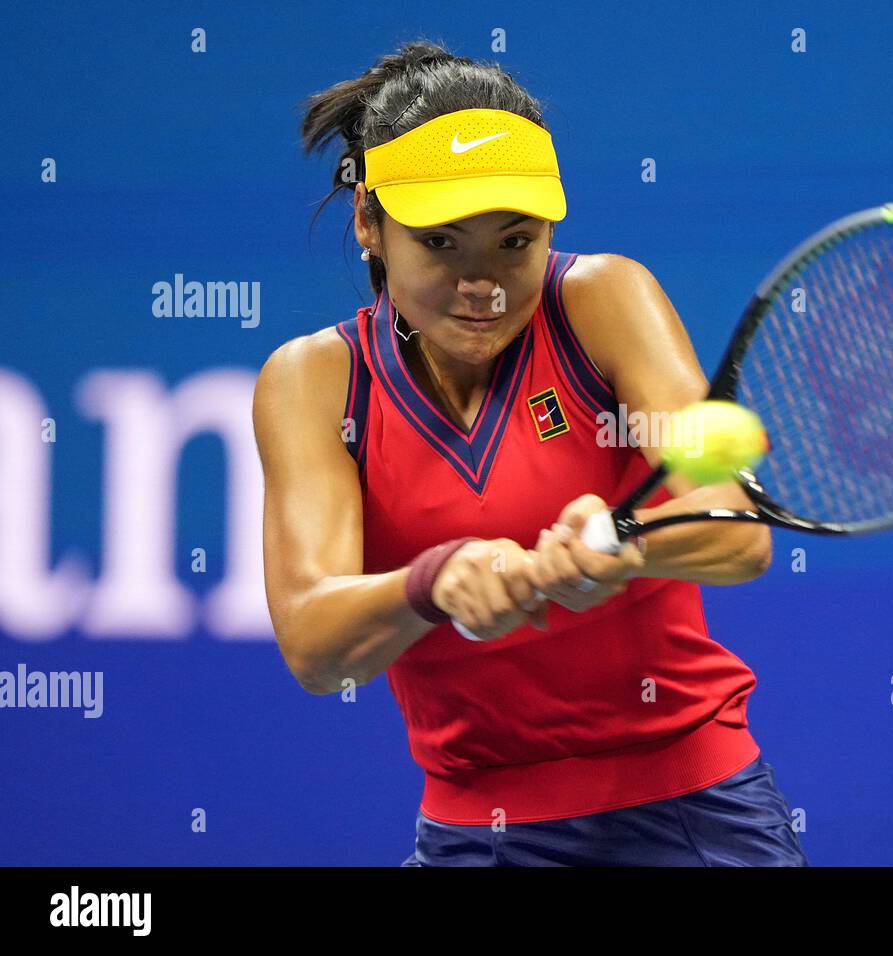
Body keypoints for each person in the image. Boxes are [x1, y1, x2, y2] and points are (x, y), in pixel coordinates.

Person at [253, 38, 809, 866]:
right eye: (441, 243)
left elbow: (736, 529)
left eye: (515, 241)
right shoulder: (314, 381)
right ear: (369, 222)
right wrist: (432, 580)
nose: (484, 284)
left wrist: (615, 547)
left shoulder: (605, 299)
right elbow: (312, 641)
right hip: (475, 837)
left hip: (695, 818)